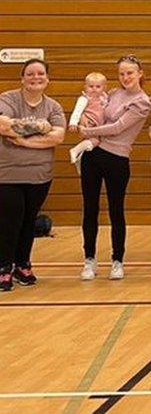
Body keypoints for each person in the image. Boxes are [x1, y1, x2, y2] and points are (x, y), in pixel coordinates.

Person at [77, 56, 151, 280]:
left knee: (115, 210)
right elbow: (96, 114)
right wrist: (86, 116)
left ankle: (117, 260)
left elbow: (118, 127)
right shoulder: (113, 94)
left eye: (130, 73)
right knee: (90, 208)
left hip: (117, 159)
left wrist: (86, 131)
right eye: (121, 74)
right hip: (93, 155)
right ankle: (89, 259)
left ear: (140, 73)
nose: (126, 77)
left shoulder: (143, 101)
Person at [0, 59, 65, 291]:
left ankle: (23, 264)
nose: (35, 77)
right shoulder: (7, 99)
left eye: (40, 74)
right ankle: (4, 267)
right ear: (22, 78)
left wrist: (22, 141)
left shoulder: (53, 107)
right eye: (30, 73)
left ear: (47, 79)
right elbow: (4, 126)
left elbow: (57, 137)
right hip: (7, 175)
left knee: (29, 221)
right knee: (10, 221)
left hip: (39, 175)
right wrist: (41, 127)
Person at [67, 72, 109, 168]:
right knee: (94, 141)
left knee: (96, 142)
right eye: (91, 86)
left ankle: (79, 154)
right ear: (85, 87)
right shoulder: (84, 99)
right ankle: (75, 150)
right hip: (90, 124)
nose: (94, 89)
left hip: (99, 125)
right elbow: (77, 111)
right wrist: (73, 123)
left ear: (104, 88)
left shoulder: (104, 98)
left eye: (98, 86)